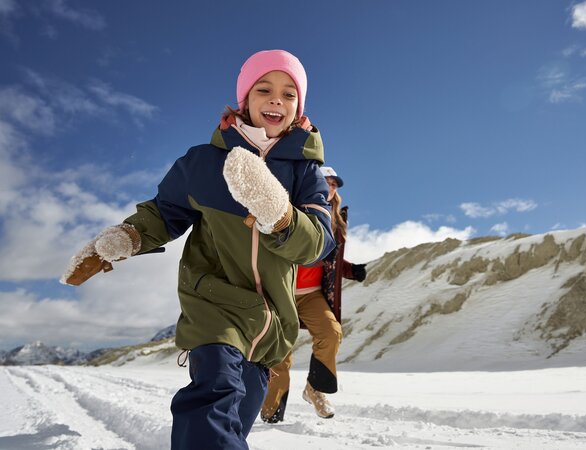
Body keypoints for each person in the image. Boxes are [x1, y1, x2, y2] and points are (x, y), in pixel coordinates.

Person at [61, 49, 335, 450]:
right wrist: (125, 239)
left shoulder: (305, 173)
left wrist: (280, 216)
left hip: (272, 321)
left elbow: (317, 243)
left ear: (299, 107)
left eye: (289, 93)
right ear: (245, 100)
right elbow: (163, 213)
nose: (276, 99)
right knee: (213, 396)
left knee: (235, 420)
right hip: (215, 301)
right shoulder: (205, 163)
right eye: (264, 89)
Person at [260, 166, 367, 423]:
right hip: (282, 291)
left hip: (312, 294)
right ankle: (271, 411)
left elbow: (332, 260)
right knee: (281, 351)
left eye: (334, 184)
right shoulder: (294, 206)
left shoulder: (336, 220)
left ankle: (315, 389)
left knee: (331, 332)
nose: (331, 187)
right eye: (326, 181)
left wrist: (351, 270)